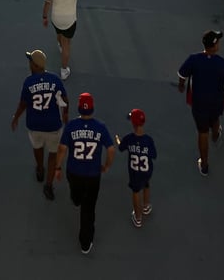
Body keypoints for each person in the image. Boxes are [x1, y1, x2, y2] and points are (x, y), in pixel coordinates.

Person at [55, 92, 114, 255]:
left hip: (74, 171)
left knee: (76, 193)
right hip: (93, 174)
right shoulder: (100, 127)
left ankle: (75, 198)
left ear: (79, 108)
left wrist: (57, 168)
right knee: (88, 209)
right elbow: (110, 149)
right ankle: (85, 242)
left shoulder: (71, 126)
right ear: (92, 108)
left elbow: (62, 149)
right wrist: (107, 165)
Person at [11, 49, 68, 201]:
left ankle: (40, 169)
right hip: (53, 125)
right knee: (52, 154)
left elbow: (23, 103)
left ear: (35, 66)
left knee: (37, 147)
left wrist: (16, 117)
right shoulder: (55, 80)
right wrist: (65, 114)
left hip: (34, 124)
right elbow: (65, 99)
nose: (29, 63)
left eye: (30, 61)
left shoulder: (28, 82)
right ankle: (48, 185)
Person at [177, 29, 224, 176]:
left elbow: (182, 75)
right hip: (216, 102)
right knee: (215, 118)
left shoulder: (194, 59)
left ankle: (204, 164)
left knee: (202, 132)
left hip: (199, 103)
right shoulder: (222, 63)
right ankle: (216, 135)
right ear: (215, 46)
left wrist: (181, 85)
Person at [43, 0, 87, 81]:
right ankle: (64, 70)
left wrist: (44, 17)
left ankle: (59, 45)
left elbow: (47, 2)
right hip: (69, 20)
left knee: (59, 32)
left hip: (56, 19)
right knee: (67, 43)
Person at [115, 108, 157, 228]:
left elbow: (121, 147)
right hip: (147, 170)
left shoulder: (129, 139)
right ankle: (146, 206)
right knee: (146, 184)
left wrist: (118, 141)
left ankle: (138, 217)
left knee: (136, 191)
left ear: (133, 124)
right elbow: (154, 155)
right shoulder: (148, 140)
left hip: (134, 172)